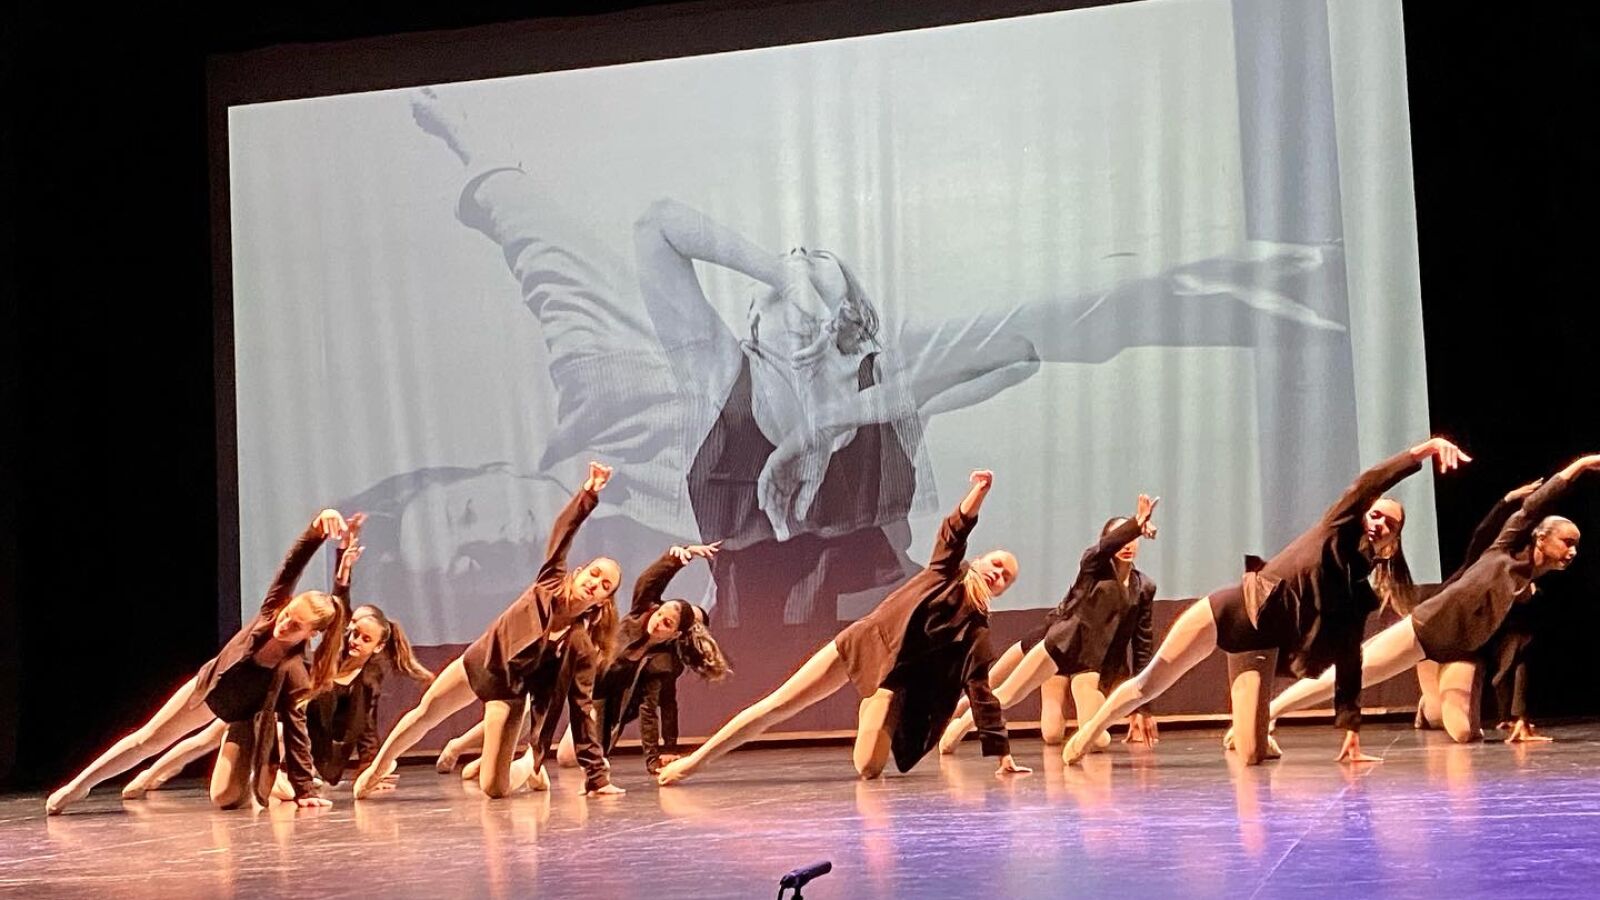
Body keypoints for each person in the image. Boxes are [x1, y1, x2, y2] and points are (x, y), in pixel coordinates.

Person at [1063, 438, 1470, 767]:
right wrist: (1423, 451)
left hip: (1260, 645)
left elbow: (1350, 659)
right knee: (1150, 682)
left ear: (1393, 542)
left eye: (1389, 523)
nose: (1378, 522)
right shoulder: (1339, 525)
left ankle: (1251, 733)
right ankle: (1087, 733)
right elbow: (1369, 482)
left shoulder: (1357, 590)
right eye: (1376, 514)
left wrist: (1351, 729)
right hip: (1230, 611)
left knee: (1253, 756)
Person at [657, 470, 1032, 784]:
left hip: (896, 685)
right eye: (997, 564)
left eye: (1006, 577)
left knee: (869, 769)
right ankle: (694, 763)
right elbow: (955, 530)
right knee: (778, 704)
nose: (998, 574)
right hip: (864, 643)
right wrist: (979, 491)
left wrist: (1002, 755)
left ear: (1001, 591)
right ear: (979, 561)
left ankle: (875, 699)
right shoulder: (944, 571)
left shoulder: (976, 631)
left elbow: (981, 691)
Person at [1260, 454, 1596, 746]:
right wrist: (1578, 467)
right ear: (1540, 538)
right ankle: (1268, 713)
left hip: (1461, 651)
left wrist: (1518, 715)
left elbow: (1516, 655)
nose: (1572, 552)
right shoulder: (1503, 551)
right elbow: (1531, 508)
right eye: (1567, 542)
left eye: (1576, 545)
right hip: (1428, 628)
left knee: (1465, 734)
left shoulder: (1530, 592)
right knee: (1350, 674)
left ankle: (1430, 705)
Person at [46, 510, 356, 814]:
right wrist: (317, 529)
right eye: (287, 615)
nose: (283, 624)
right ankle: (81, 785)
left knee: (227, 796)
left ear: (311, 634)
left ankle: (269, 782)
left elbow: (296, 728)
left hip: (244, 719)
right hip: (211, 690)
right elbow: (291, 566)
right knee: (149, 739)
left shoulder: (294, 670)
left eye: (295, 626)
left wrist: (305, 790)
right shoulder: (269, 612)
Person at [351, 461, 624, 799]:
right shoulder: (549, 584)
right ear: (579, 572)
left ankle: (527, 766)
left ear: (604, 601)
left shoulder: (579, 645)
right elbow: (562, 532)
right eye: (594, 574)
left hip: (509, 692)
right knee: (426, 712)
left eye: (605, 585)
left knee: (495, 788)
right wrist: (588, 493)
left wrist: (597, 778)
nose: (595, 583)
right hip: (480, 663)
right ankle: (378, 768)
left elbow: (581, 708)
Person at [940, 496, 1159, 753]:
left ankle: (1074, 748)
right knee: (1008, 694)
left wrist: (1143, 705)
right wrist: (1135, 525)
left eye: (1132, 539)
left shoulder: (1144, 587)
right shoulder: (1094, 567)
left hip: (1091, 662)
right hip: (1062, 646)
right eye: (1121, 538)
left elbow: (1143, 644)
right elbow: (1101, 549)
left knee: (1096, 739)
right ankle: (961, 725)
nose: (1127, 545)